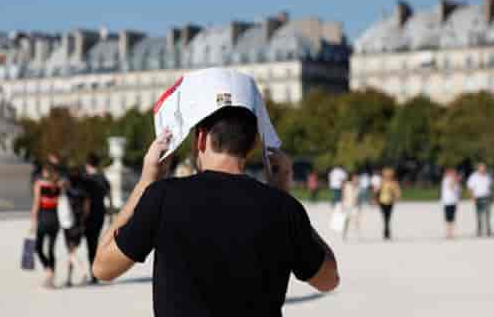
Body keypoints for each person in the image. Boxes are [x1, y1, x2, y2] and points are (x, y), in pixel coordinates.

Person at [93, 106, 339, 316]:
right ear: (253, 145)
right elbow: (329, 279)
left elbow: (103, 267)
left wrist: (146, 182)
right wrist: (285, 198)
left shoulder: (164, 197)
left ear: (201, 138)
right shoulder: (282, 207)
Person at [82, 153, 112, 284]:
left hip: (88, 214)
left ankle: (94, 273)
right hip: (100, 212)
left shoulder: (86, 179)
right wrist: (110, 214)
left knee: (90, 244)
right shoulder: (102, 178)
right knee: (96, 242)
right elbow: (109, 196)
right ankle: (97, 271)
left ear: (87, 164)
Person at [30, 163, 61, 288]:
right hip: (55, 220)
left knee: (38, 247)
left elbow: (36, 204)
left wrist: (33, 222)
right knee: (51, 250)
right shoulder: (58, 185)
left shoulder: (39, 185)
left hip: (43, 220)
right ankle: (51, 278)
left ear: (44, 172)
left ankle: (49, 272)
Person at [62, 168, 91, 286]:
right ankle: (70, 277)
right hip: (76, 222)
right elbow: (86, 208)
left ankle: (82, 272)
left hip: (71, 223)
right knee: (71, 250)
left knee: (71, 250)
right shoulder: (82, 190)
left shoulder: (68, 190)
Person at [466, 163, 494, 237]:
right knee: (479, 215)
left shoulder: (488, 176)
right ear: (478, 168)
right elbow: (470, 188)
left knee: (487, 214)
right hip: (478, 197)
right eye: (481, 168)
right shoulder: (473, 177)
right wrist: (472, 197)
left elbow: (490, 187)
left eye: (484, 168)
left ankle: (488, 230)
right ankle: (479, 230)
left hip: (487, 197)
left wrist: (492, 197)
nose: (483, 169)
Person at [377, 168, 401, 240]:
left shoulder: (393, 183)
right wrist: (375, 199)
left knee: (388, 217)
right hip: (382, 201)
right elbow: (377, 191)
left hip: (390, 201)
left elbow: (397, 192)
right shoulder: (382, 182)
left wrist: (395, 198)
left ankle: (386, 231)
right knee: (385, 217)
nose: (387, 176)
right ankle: (386, 231)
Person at [440, 168, 462, 239]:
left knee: (452, 218)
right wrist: (456, 180)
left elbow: (458, 191)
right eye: (453, 174)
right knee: (448, 218)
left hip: (454, 201)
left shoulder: (456, 182)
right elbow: (451, 186)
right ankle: (448, 233)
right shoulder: (446, 180)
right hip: (447, 202)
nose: (454, 175)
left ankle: (451, 232)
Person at [341, 173, 361, 241]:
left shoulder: (358, 187)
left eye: (357, 179)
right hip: (347, 205)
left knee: (356, 220)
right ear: (352, 179)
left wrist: (358, 204)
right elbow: (343, 195)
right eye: (355, 178)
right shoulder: (347, 185)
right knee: (347, 220)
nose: (356, 180)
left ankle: (356, 234)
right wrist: (342, 204)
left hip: (355, 206)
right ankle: (344, 234)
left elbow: (358, 197)